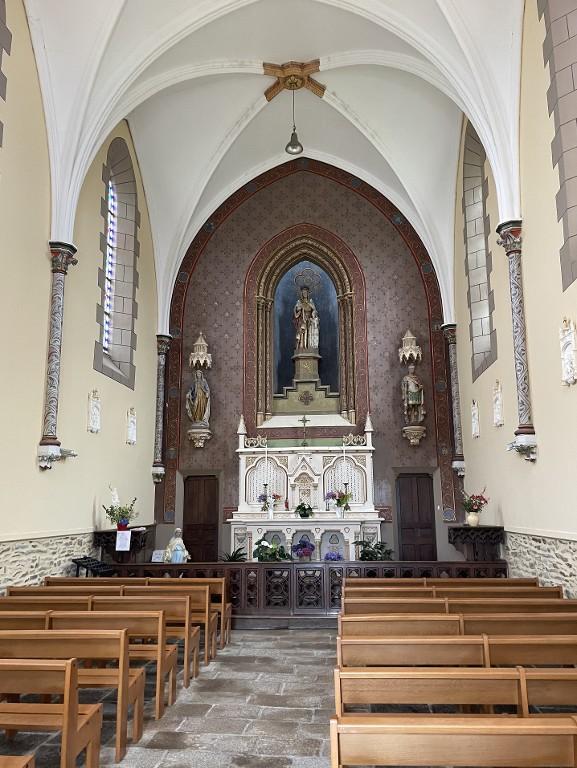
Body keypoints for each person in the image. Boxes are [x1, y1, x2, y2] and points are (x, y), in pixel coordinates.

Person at [293, 286, 319, 350]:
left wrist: (313, 314)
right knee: (302, 334)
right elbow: (296, 310)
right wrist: (300, 307)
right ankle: (301, 347)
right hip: (302, 320)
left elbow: (314, 311)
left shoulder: (310, 302)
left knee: (309, 333)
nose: (305, 294)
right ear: (301, 294)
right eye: (303, 292)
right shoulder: (299, 302)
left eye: (306, 292)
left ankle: (309, 347)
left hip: (309, 321)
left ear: (308, 293)